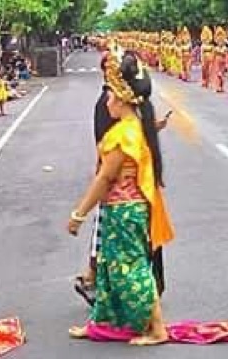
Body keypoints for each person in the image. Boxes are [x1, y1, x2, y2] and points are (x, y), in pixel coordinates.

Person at [67, 49, 175, 346]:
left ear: (123, 100)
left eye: (111, 96)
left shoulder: (124, 135)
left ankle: (157, 329)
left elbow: (103, 179)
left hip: (126, 211)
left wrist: (78, 214)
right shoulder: (131, 128)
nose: (107, 102)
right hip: (121, 210)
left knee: (133, 269)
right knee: (108, 268)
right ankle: (102, 322)